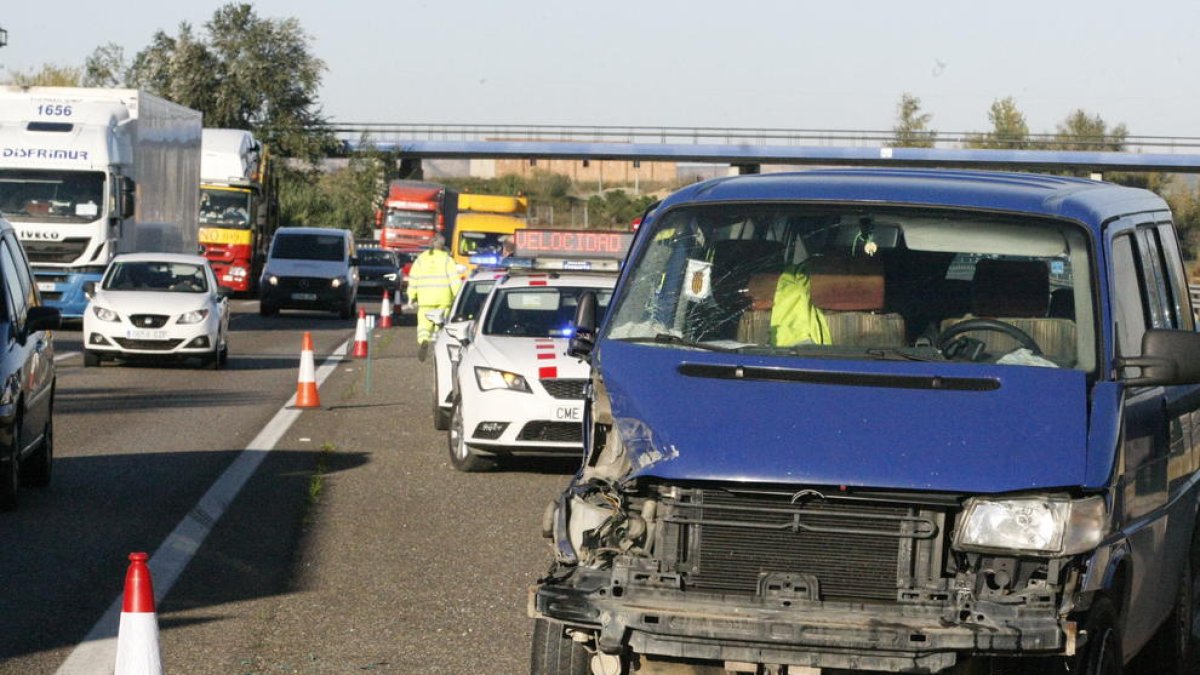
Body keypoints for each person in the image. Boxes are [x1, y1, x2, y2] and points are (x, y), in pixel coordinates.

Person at [408, 234, 461, 361]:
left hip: (425, 298)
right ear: (442, 246)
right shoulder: (447, 259)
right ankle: (439, 345)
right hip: (443, 298)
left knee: (424, 325)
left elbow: (413, 279)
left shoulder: (421, 259)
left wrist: (411, 296)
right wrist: (457, 296)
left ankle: (423, 341)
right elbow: (454, 280)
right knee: (440, 323)